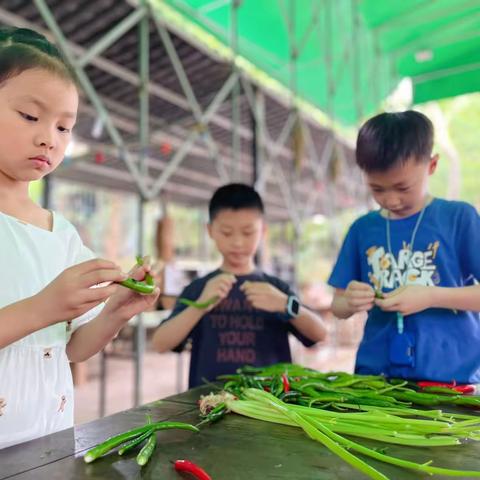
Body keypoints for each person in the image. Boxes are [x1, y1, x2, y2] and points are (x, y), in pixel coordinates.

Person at [0, 27, 159, 448]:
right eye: (30, 116)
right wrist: (42, 307)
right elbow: (43, 314)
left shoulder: (62, 234)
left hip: (49, 447)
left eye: (64, 127)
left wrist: (115, 314)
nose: (48, 138)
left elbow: (73, 349)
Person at [329, 110, 480, 383]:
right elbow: (338, 305)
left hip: (453, 378)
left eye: (403, 187)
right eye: (377, 189)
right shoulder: (362, 229)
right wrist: (349, 301)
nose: (390, 200)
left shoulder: (459, 218)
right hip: (377, 377)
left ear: (432, 166)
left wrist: (432, 296)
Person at [152, 183, 326, 387]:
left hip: (270, 404)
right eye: (226, 232)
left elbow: (320, 333)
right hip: (208, 405)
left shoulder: (276, 288)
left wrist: (285, 305)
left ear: (263, 231)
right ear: (210, 230)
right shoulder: (200, 288)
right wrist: (200, 305)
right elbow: (160, 343)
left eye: (247, 232)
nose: (237, 242)